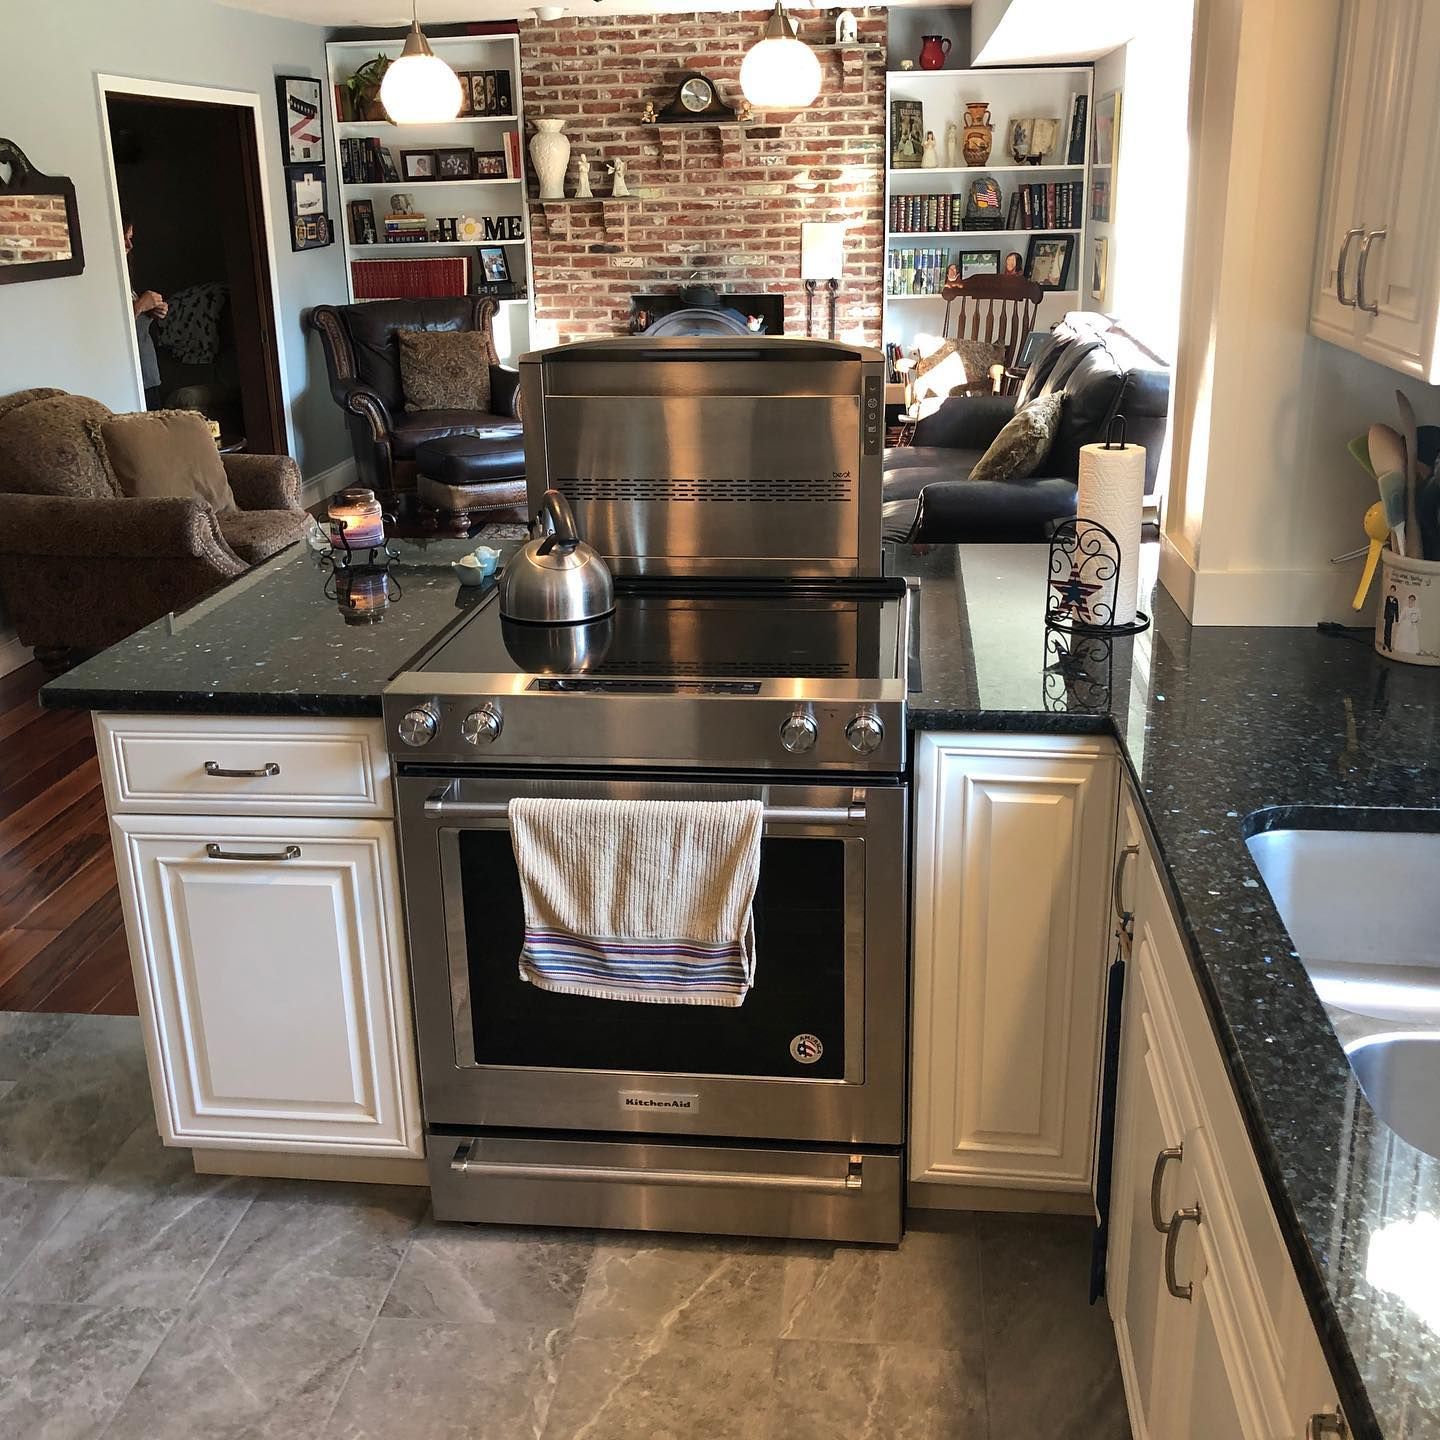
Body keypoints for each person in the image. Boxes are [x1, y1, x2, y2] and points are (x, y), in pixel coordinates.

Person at [124, 219, 167, 408]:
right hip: (134, 376)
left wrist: (151, 310)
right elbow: (115, 330)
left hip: (148, 373)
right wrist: (141, 305)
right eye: (124, 238)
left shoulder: (126, 277)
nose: (129, 245)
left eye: (130, 238)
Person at [1395, 592, 1422, 656]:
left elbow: (1419, 618)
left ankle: (1411, 650)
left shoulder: (1416, 609)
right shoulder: (1405, 608)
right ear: (1408, 600)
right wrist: (1399, 622)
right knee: (1404, 637)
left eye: (1412, 600)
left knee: (1412, 637)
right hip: (1405, 624)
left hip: (1412, 625)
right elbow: (1401, 616)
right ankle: (1404, 649)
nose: (1411, 601)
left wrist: (1415, 620)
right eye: (1410, 600)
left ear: (1414, 601)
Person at [1382, 583, 1400, 650]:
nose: (1392, 592)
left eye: (1393, 591)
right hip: (1387, 616)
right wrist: (1385, 615)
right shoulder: (1387, 598)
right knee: (1386, 630)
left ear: (1394, 591)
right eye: (1391, 590)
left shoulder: (1396, 600)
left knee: (1389, 631)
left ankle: (1388, 645)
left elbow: (1396, 610)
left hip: (1391, 617)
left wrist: (1397, 619)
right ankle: (1385, 643)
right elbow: (1386, 607)